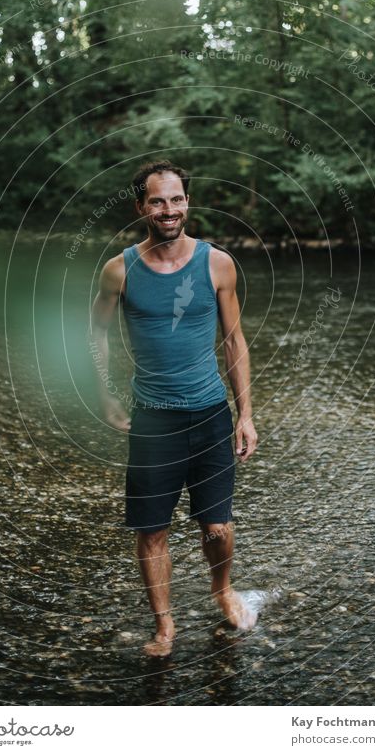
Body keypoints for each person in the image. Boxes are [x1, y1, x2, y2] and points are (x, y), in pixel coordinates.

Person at [89, 160, 258, 656]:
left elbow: (233, 341)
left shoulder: (217, 263)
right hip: (153, 420)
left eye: (178, 199)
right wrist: (104, 393)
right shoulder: (119, 270)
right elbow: (95, 333)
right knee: (152, 529)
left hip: (210, 415)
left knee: (218, 527)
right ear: (141, 206)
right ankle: (164, 625)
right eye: (158, 201)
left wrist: (245, 413)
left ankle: (222, 590)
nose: (169, 210)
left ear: (188, 202)